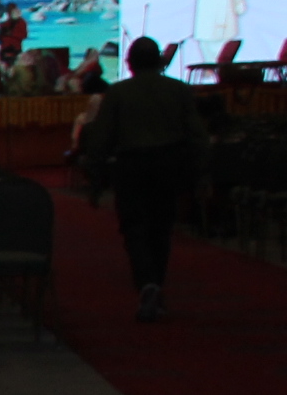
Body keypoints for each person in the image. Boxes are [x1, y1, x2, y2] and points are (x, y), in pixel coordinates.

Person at [77, 33, 208, 321]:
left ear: (130, 63)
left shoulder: (118, 93)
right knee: (161, 228)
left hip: (131, 167)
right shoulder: (179, 90)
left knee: (134, 228)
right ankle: (155, 283)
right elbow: (197, 136)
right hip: (168, 165)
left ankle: (147, 283)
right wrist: (198, 173)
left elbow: (101, 139)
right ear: (160, 61)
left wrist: (95, 179)